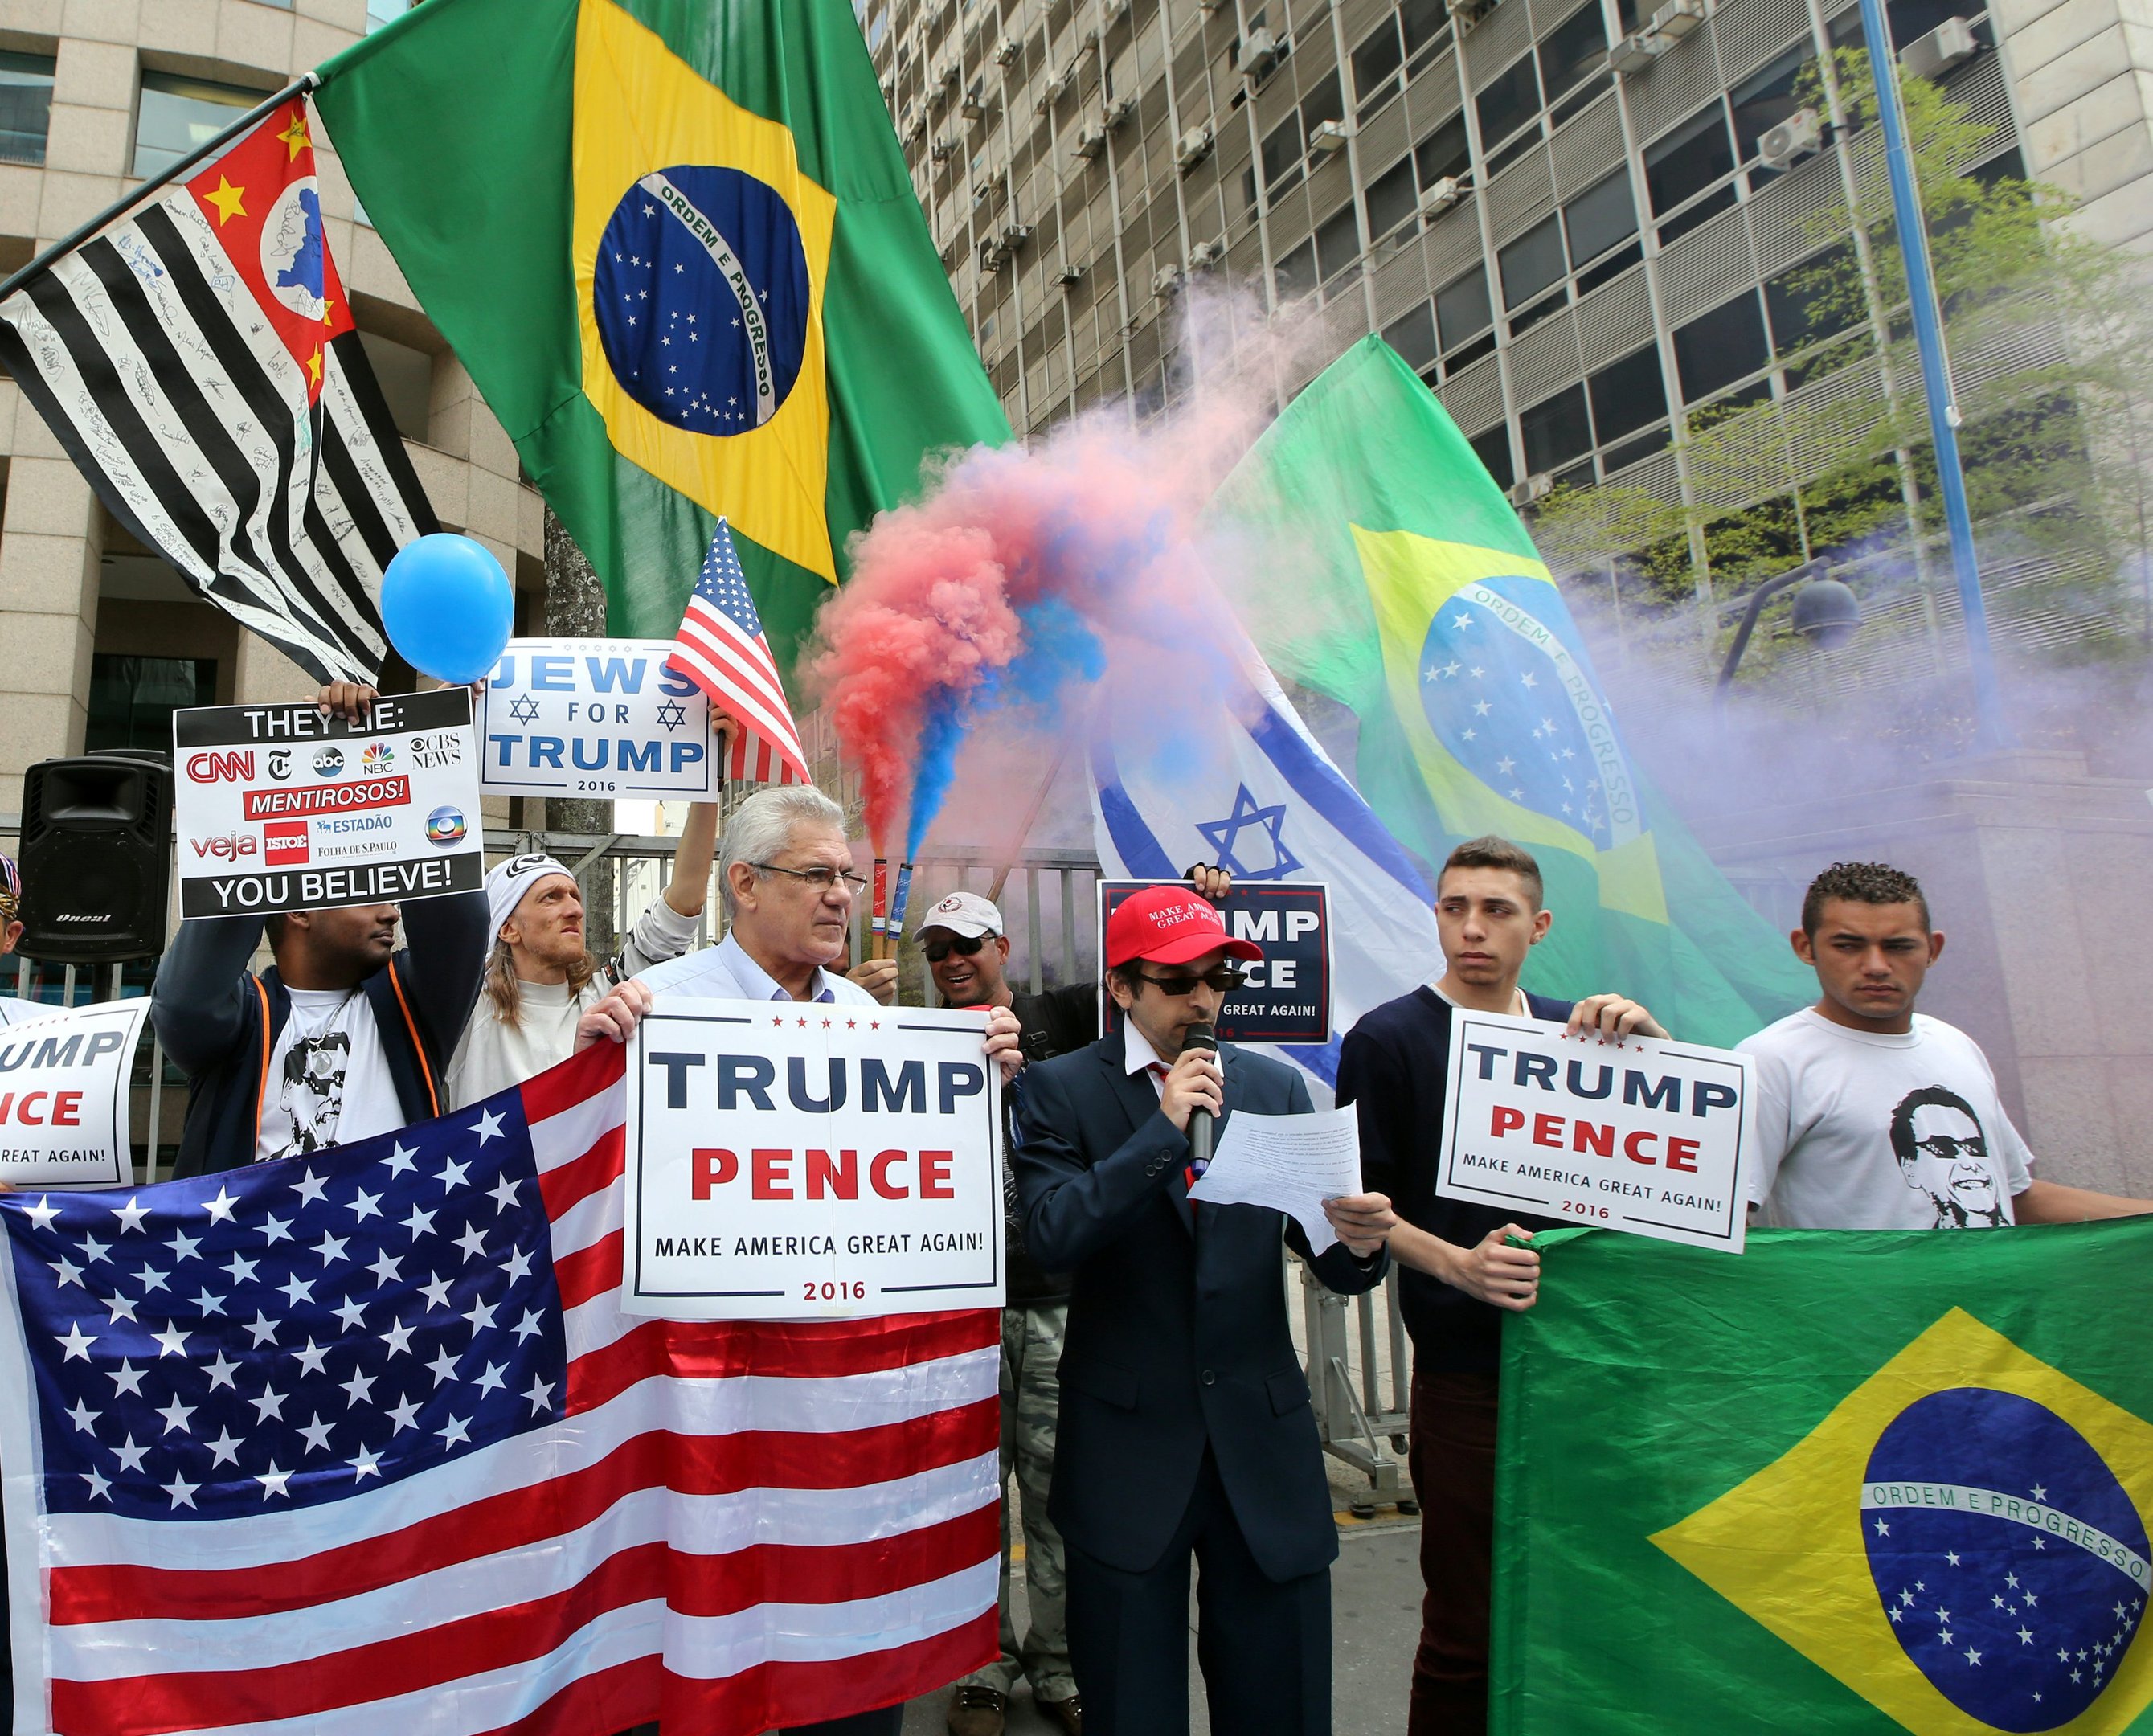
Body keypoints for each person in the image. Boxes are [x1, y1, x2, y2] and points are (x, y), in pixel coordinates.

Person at [636, 787, 1022, 1736]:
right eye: (818, 876)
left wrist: (985, 1091)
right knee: (709, 1652)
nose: (842, 896)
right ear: (744, 885)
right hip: (709, 1403)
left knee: (843, 1668)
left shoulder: (869, 1016)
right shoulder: (659, 1011)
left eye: (846, 877)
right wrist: (593, 1049)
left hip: (841, 1411)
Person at [1013, 885, 1395, 1736]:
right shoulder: (1058, 1091)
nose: (1204, 998)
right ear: (1122, 987)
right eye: (1179, 979)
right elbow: (1050, 1235)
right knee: (1132, 1708)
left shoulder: (1270, 1085)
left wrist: (1361, 1244)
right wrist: (1161, 1129)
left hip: (1261, 1447)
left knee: (1281, 1701)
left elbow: (1325, 1253)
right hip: (1126, 1450)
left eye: (1219, 976)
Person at [1334, 835, 1666, 1736]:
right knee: (1466, 1631)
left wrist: (1657, 1050)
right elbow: (1358, 1207)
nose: (1472, 929)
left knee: (1589, 1605)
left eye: (1497, 911)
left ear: (1540, 926)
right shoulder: (1390, 1038)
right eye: (1454, 908)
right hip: (1467, 1378)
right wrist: (1459, 1265)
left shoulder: (1581, 1031)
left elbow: (1678, 1172)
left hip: (1591, 1369)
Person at [923, 872, 1227, 1736]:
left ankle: (1060, 1665)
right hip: (962, 1311)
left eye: (966, 946)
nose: (951, 962)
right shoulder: (898, 1038)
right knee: (972, 1500)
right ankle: (979, 1667)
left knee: (1060, 1501)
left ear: (1001, 951)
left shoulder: (1064, 1017)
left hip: (1061, 1303)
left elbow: (1162, 974)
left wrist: (1192, 883)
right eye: (936, 951)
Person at [150, 682, 491, 1177]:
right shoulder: (238, 1022)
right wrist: (266, 817)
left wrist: (420, 743)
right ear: (298, 910)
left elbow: (458, 918)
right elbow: (183, 1000)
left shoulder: (410, 1006)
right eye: (369, 894)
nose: (393, 913)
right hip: (250, 1253)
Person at [1743, 860, 2153, 1229]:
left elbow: (2014, 1196)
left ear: (1933, 949)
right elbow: (1724, 1221)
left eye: (1898, 946)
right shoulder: (1769, 1061)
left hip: (1986, 1311)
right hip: (1861, 1312)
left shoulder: (1955, 1045)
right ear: (1805, 947)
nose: (1876, 966)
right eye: (1848, 946)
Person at [444, 817, 716, 1108]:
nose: (575, 909)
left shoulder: (606, 999)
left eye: (575, 896)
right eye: (551, 898)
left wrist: (707, 791)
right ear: (508, 928)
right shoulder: (468, 1012)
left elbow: (680, 911)